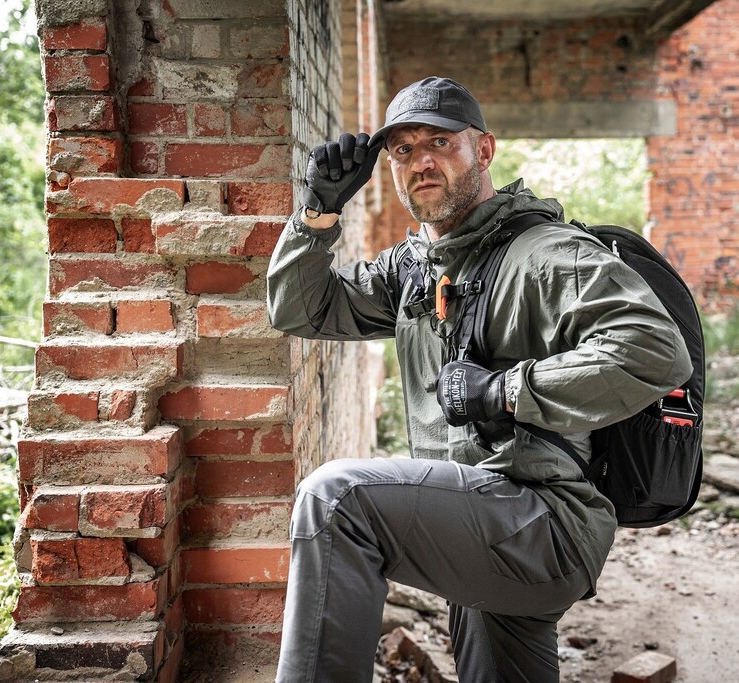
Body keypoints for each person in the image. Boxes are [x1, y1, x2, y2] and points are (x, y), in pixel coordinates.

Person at [266, 76, 692, 682]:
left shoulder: (547, 254)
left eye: (440, 142)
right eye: (403, 150)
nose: (421, 161)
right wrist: (317, 216)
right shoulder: (416, 269)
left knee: (336, 501)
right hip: (475, 514)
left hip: (542, 521)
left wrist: (505, 390)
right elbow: (301, 311)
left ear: (484, 150)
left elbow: (656, 350)